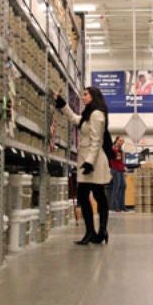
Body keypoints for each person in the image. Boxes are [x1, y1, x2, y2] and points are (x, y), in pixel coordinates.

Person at [54, 87, 112, 245]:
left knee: (99, 196)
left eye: (86, 94)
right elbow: (74, 119)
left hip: (94, 163)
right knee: (84, 197)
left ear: (94, 96)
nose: (83, 97)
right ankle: (90, 232)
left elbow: (96, 140)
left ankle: (101, 231)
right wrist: (63, 104)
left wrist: (89, 162)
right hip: (87, 162)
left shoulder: (97, 115)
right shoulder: (88, 115)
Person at [107, 137, 127, 211]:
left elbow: (121, 162)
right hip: (115, 170)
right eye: (120, 140)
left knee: (123, 186)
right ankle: (115, 206)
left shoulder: (120, 150)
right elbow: (113, 161)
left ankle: (122, 206)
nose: (121, 142)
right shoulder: (113, 149)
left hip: (121, 170)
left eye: (122, 141)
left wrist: (124, 168)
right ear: (117, 140)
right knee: (117, 188)